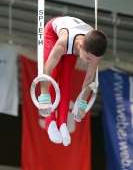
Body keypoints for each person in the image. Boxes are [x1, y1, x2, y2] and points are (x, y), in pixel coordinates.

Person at [38, 16, 108, 146]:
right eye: (87, 58)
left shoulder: (93, 53)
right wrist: (44, 97)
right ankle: (50, 121)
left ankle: (62, 123)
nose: (89, 63)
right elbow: (46, 70)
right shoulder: (63, 43)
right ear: (80, 46)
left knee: (65, 79)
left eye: (94, 60)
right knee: (53, 74)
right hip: (54, 33)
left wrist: (82, 104)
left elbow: (89, 78)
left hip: (77, 37)